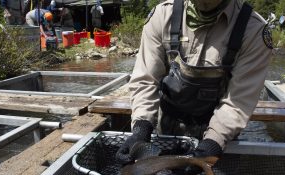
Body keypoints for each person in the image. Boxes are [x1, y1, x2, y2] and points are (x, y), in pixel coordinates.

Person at [115, 0, 272, 171]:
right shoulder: (162, 16)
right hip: (166, 132)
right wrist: (141, 129)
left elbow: (238, 102)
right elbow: (146, 80)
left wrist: (211, 146)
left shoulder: (253, 30)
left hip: (219, 142)